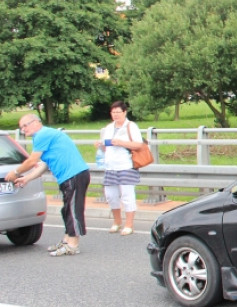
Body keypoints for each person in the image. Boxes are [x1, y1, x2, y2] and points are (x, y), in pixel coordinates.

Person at [6, 114, 90, 256]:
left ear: (36, 122)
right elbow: (45, 164)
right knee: (66, 210)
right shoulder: (43, 136)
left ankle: (73, 245)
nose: (23, 130)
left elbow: (32, 161)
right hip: (68, 177)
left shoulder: (42, 134)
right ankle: (67, 240)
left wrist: (16, 172)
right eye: (21, 128)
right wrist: (27, 178)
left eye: (25, 126)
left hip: (74, 175)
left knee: (73, 210)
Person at [95, 101, 147, 236]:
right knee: (111, 195)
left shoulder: (131, 126)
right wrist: (100, 145)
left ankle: (129, 224)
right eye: (113, 112)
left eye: (118, 112)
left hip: (126, 165)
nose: (115, 115)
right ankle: (117, 221)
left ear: (124, 112)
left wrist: (121, 142)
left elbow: (139, 145)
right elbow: (106, 146)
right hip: (110, 166)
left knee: (127, 195)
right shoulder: (109, 127)